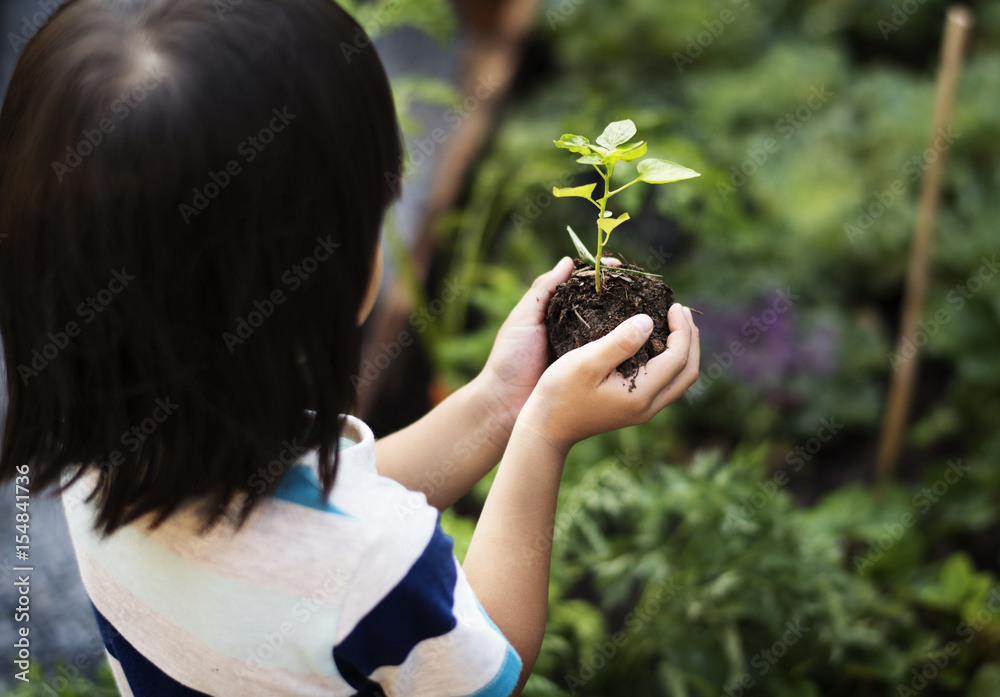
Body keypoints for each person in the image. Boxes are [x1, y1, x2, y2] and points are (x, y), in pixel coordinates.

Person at [0, 0, 700, 695]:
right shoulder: (372, 567)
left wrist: (499, 402)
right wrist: (544, 436)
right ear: (309, 281)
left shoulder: (103, 454)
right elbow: (492, 669)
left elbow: (315, 516)